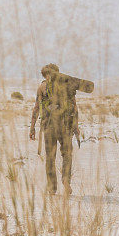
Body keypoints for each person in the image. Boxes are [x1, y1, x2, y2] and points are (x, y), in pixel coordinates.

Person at [29, 63, 84, 195]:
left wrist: (32, 128)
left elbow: (36, 108)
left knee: (50, 158)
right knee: (67, 155)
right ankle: (66, 179)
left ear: (45, 74)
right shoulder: (67, 85)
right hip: (65, 126)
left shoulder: (42, 87)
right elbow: (74, 107)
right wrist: (75, 126)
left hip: (48, 127)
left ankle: (52, 188)